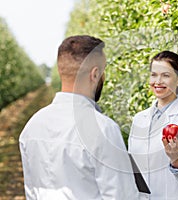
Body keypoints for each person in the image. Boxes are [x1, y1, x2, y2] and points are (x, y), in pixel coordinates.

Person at [19, 35, 139, 199]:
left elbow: (31, 192)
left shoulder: (32, 126)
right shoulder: (103, 129)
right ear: (95, 74)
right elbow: (122, 196)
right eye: (103, 72)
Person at [128, 50, 178, 199]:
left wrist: (176, 159)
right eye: (154, 74)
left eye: (166, 75)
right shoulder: (139, 119)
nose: (158, 81)